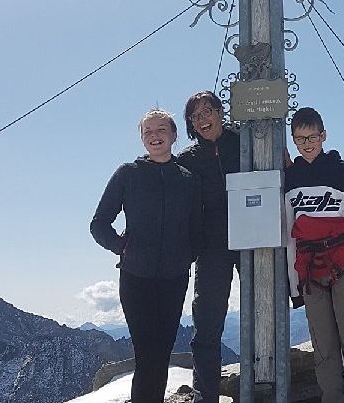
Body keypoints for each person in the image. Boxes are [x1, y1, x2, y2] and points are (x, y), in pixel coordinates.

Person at [90, 109, 201, 403]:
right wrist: (122, 247)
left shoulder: (188, 179)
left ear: (174, 135)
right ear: (141, 138)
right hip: (135, 278)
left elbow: (197, 227)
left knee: (161, 353)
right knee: (147, 353)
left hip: (174, 278)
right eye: (148, 131)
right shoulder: (128, 174)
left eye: (161, 129)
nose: (155, 136)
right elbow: (99, 224)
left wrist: (186, 256)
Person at [285, 107, 344, 403]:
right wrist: (294, 289)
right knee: (323, 346)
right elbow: (288, 236)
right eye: (300, 139)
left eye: (312, 137)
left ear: (323, 135)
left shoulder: (341, 172)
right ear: (293, 141)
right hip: (309, 271)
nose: (307, 144)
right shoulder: (290, 179)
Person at [176, 91, 240, 403]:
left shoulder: (243, 141)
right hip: (211, 246)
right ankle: (205, 395)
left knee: (264, 308)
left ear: (220, 112)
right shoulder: (186, 160)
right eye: (195, 115)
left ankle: (266, 383)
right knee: (207, 322)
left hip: (252, 236)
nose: (202, 119)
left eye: (207, 111)